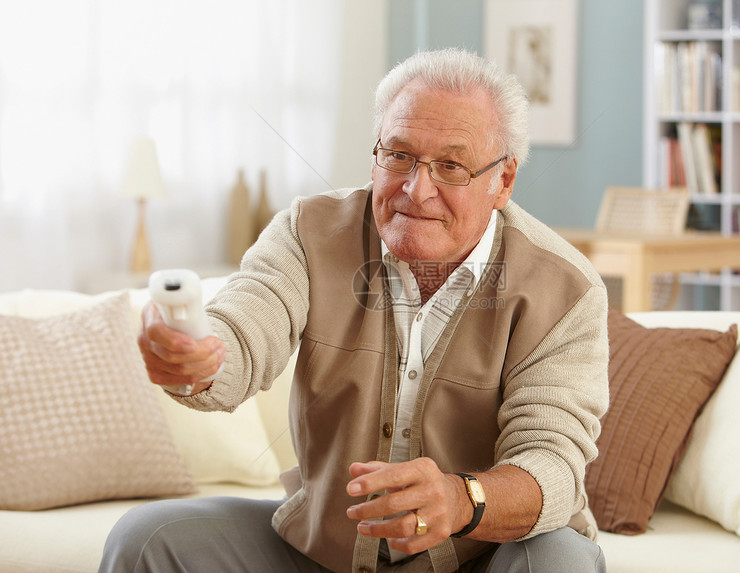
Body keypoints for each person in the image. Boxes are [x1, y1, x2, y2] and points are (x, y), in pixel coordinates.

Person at [100, 48, 609, 573]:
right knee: (147, 539)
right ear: (375, 155)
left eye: (451, 166)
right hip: (328, 554)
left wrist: (460, 500)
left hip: (483, 557)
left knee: (559, 561)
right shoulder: (307, 231)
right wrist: (201, 358)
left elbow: (552, 463)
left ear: (502, 181)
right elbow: (248, 324)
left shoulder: (566, 288)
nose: (417, 188)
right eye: (399, 155)